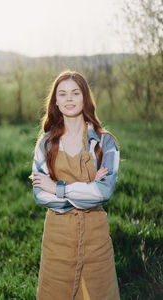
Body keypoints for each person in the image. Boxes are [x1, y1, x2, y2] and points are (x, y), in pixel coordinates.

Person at [30, 70, 120, 300]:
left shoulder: (105, 142)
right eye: (62, 94)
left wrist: (57, 188)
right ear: (56, 102)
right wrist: (87, 188)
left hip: (96, 240)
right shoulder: (46, 144)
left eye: (75, 93)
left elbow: (104, 192)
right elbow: (41, 195)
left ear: (85, 98)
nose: (69, 98)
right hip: (57, 240)